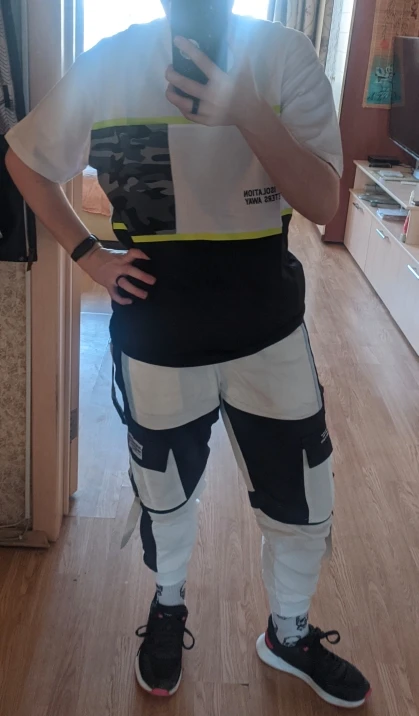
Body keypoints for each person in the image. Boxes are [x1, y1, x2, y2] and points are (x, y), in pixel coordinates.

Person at [5, 0, 371, 707]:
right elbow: (25, 160)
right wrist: (89, 255)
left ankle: (289, 633)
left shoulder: (285, 56)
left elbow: (323, 203)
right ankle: (167, 605)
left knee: (302, 495)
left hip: (267, 327)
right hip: (157, 331)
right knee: (165, 494)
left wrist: (246, 112)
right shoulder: (110, 61)